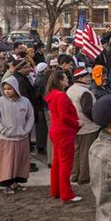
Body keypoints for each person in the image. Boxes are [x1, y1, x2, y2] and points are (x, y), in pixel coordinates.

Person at [0, 76, 35, 194]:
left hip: (21, 138)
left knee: (20, 161)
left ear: (16, 88)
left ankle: (16, 183)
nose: (7, 91)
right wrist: (2, 130)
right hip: (4, 139)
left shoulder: (25, 101)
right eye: (5, 89)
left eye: (9, 88)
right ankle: (6, 184)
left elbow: (30, 117)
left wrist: (26, 130)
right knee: (6, 162)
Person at [45, 70, 82, 204]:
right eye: (66, 78)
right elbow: (64, 116)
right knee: (66, 164)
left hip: (56, 131)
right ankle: (66, 194)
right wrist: (77, 123)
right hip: (64, 132)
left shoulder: (52, 94)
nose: (67, 80)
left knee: (57, 163)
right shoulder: (61, 96)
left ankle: (56, 190)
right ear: (60, 81)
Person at [65, 68, 101, 185]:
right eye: (87, 77)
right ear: (80, 79)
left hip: (75, 126)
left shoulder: (70, 89)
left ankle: (75, 175)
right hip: (87, 126)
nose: (89, 78)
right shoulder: (85, 92)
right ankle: (84, 177)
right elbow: (87, 110)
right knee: (85, 153)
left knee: (77, 152)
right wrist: (96, 121)